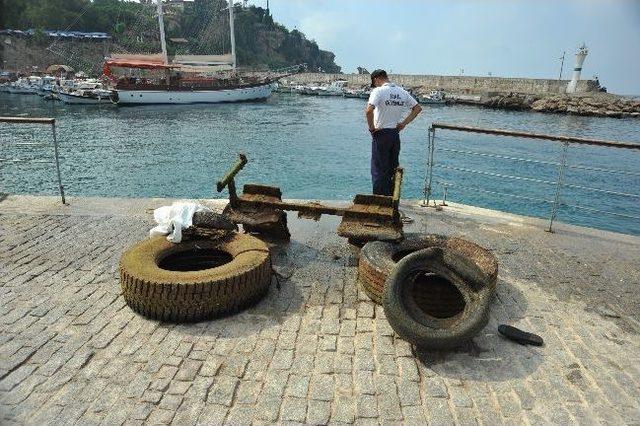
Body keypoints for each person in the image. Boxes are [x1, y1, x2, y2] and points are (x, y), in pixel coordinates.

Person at [365, 69, 422, 196]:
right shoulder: (402, 92)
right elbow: (417, 108)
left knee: (379, 169)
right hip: (395, 135)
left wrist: (372, 129)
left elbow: (369, 111)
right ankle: (392, 197)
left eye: (374, 83)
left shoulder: (378, 91)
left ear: (376, 79)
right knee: (392, 168)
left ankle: (380, 200)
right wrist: (403, 123)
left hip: (381, 134)